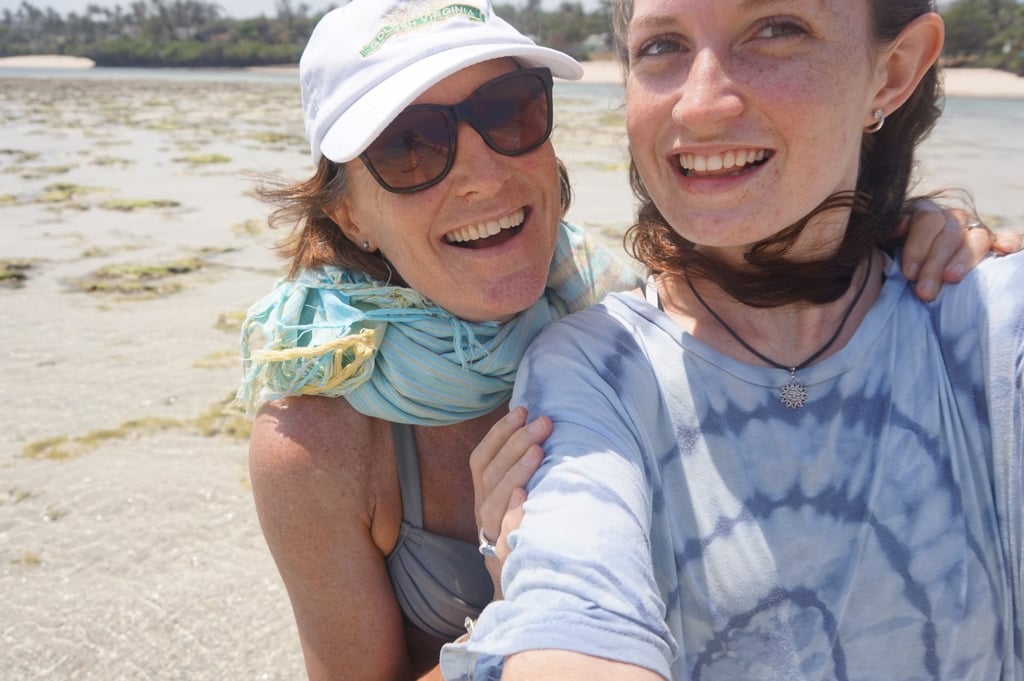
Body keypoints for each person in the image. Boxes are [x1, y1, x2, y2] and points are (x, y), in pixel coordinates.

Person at [237, 2, 1010, 680]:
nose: (481, 175)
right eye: (409, 145)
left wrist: (915, 229)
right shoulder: (318, 441)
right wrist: (514, 609)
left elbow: (759, 240)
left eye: (509, 112)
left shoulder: (596, 306)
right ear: (349, 216)